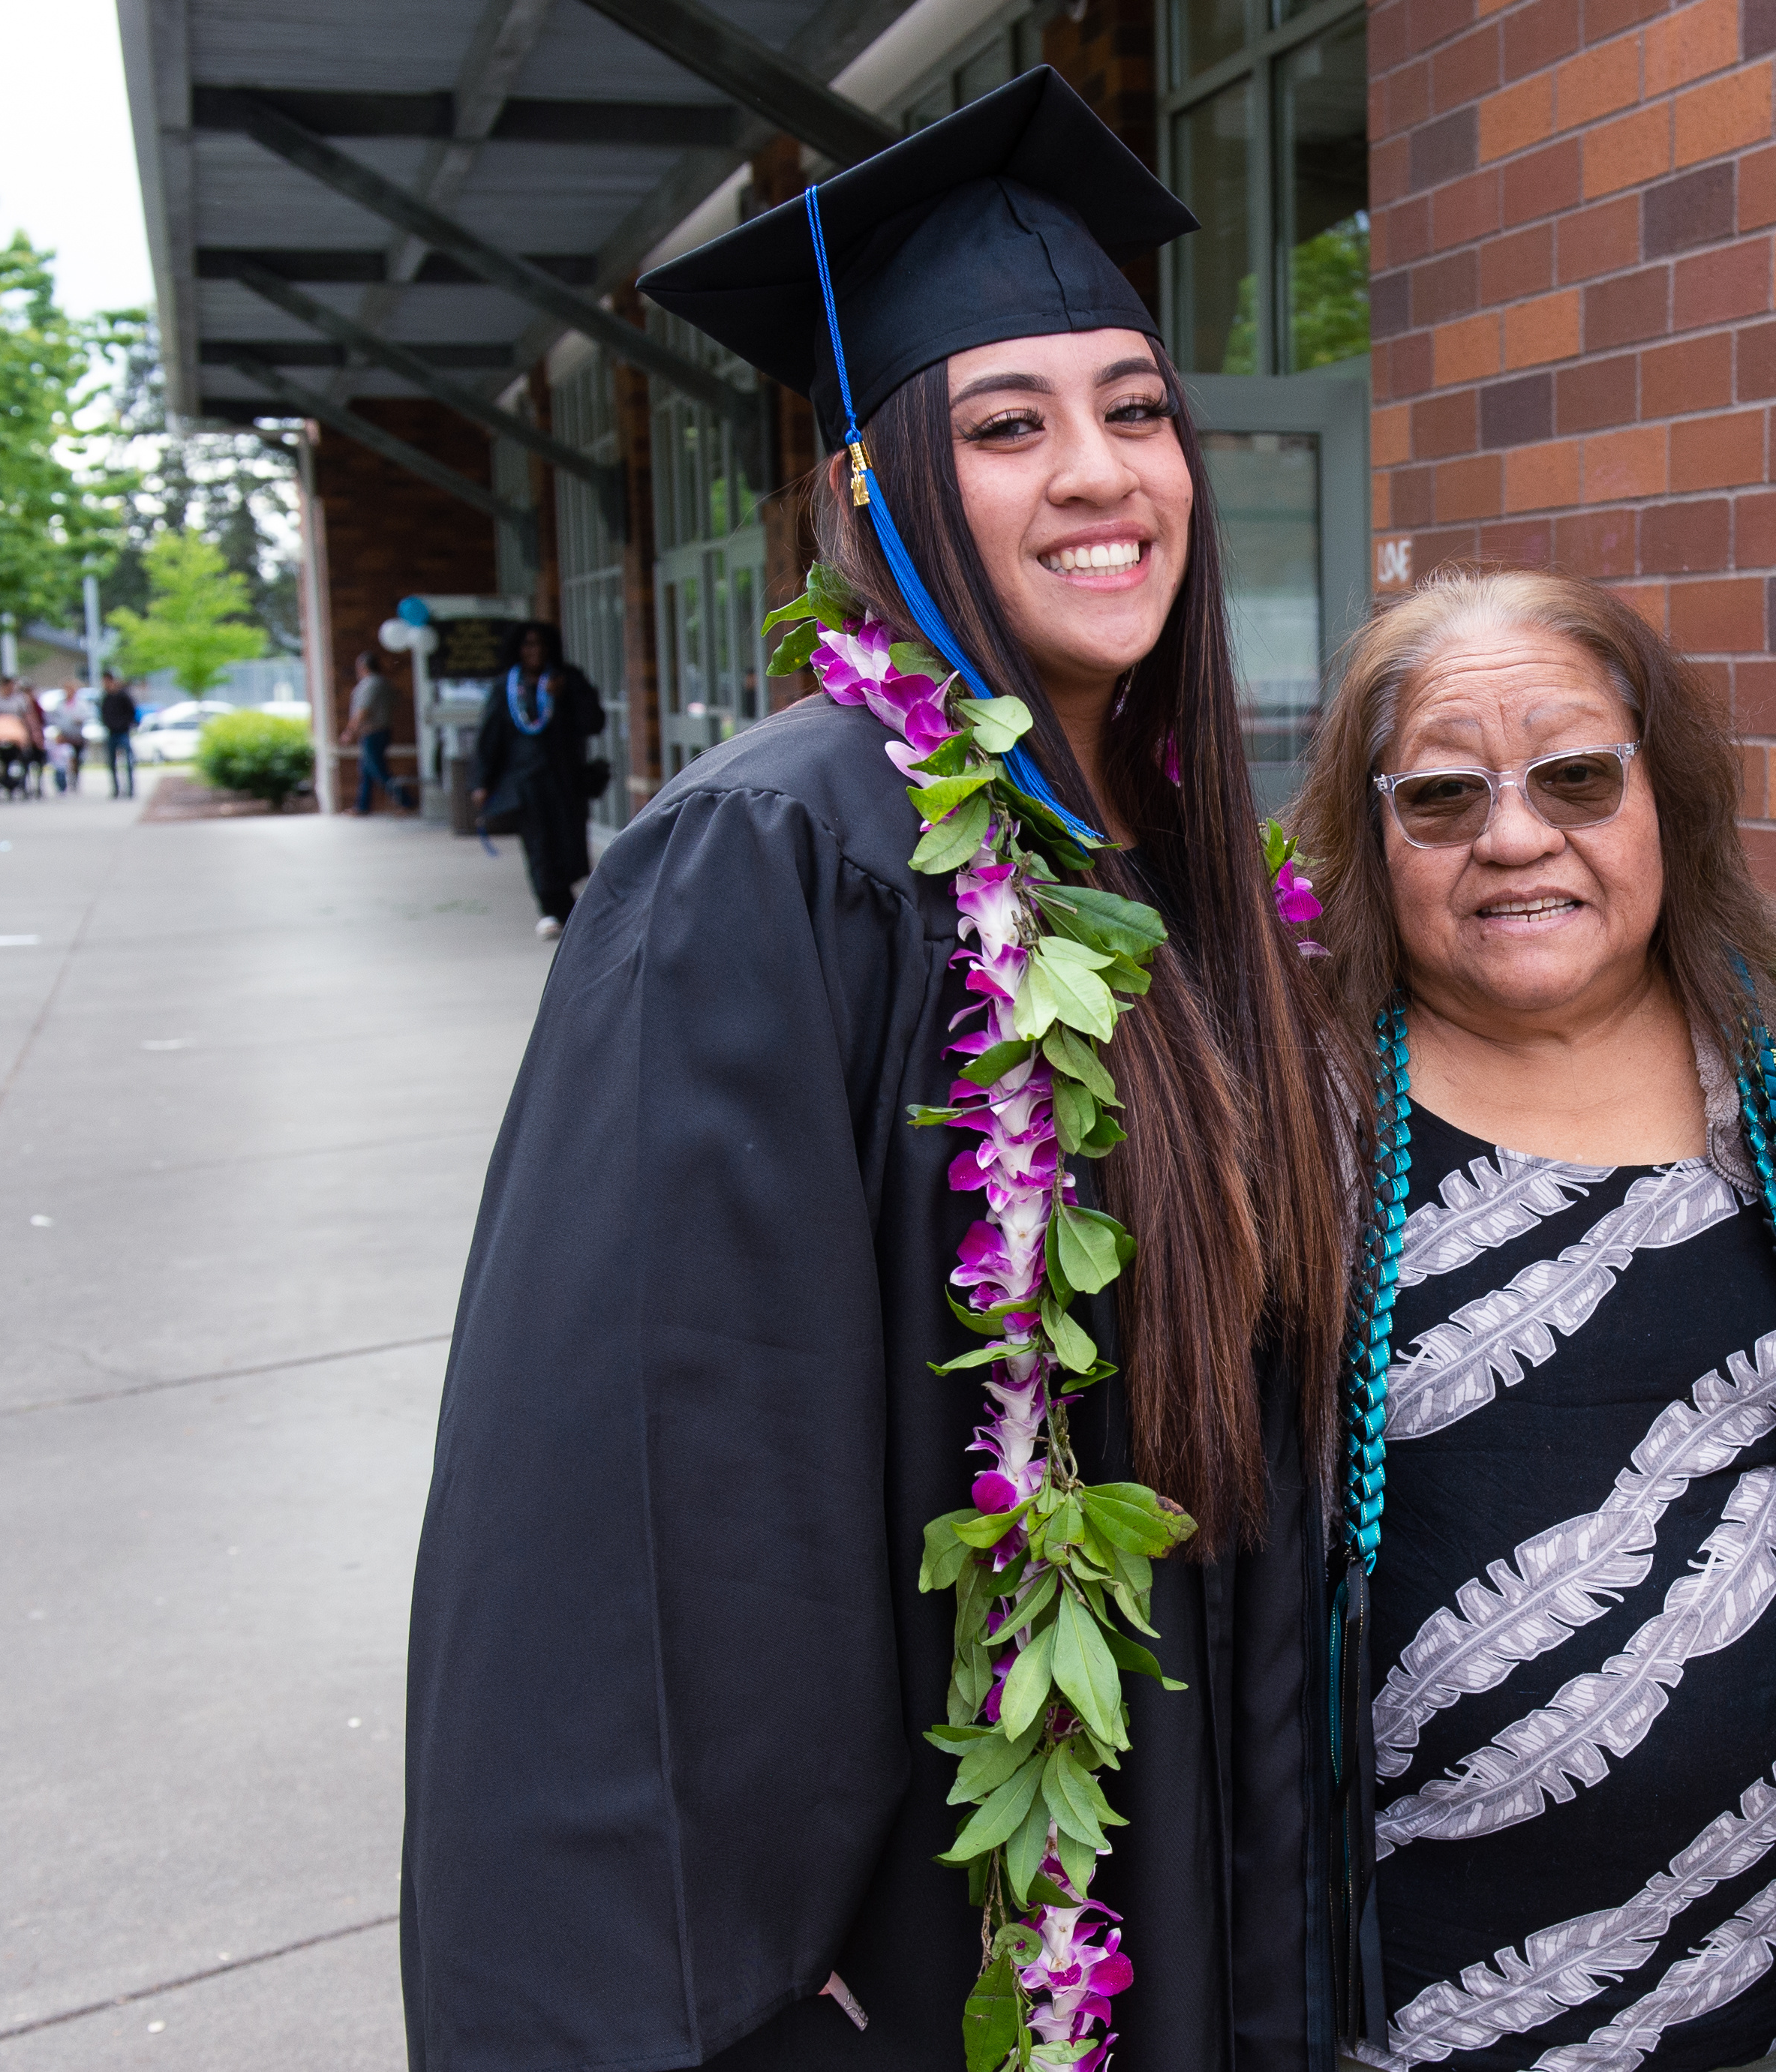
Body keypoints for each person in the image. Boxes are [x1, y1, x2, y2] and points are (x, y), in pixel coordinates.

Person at [401, 71, 1348, 2072]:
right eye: (1009, 425)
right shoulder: (773, 856)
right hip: (937, 1947)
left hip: (1178, 1877)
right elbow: (653, 1500)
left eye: (1134, 408)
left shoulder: (1169, 870)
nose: (1099, 472)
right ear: (876, 478)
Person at [1288, 569, 1776, 2072]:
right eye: (1442, 799)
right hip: (1409, 2003)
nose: (1515, 837)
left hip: (1767, 1978)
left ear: (1667, 792)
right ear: (1367, 833)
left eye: (1577, 777)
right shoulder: (1293, 1117)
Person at [466, 623, 602, 935]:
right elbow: (490, 736)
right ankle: (552, 910)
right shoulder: (507, 687)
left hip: (565, 778)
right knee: (539, 846)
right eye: (528, 646)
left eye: (540, 645)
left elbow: (593, 723)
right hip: (525, 782)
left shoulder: (567, 680)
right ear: (518, 649)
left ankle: (565, 905)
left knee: (569, 844)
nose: (535, 652)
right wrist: (480, 781)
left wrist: (566, 695)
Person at [339, 647, 415, 815]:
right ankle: (362, 806)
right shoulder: (384, 682)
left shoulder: (371, 684)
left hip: (374, 732)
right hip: (379, 731)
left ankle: (406, 800)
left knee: (378, 769)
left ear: (364, 666)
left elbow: (363, 711)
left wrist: (350, 732)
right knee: (366, 771)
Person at [97, 671, 139, 797]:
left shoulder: (122, 695)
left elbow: (131, 712)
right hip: (111, 732)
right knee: (111, 762)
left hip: (123, 732)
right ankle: (116, 789)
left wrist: (125, 724)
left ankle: (130, 789)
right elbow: (103, 713)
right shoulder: (106, 697)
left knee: (128, 761)